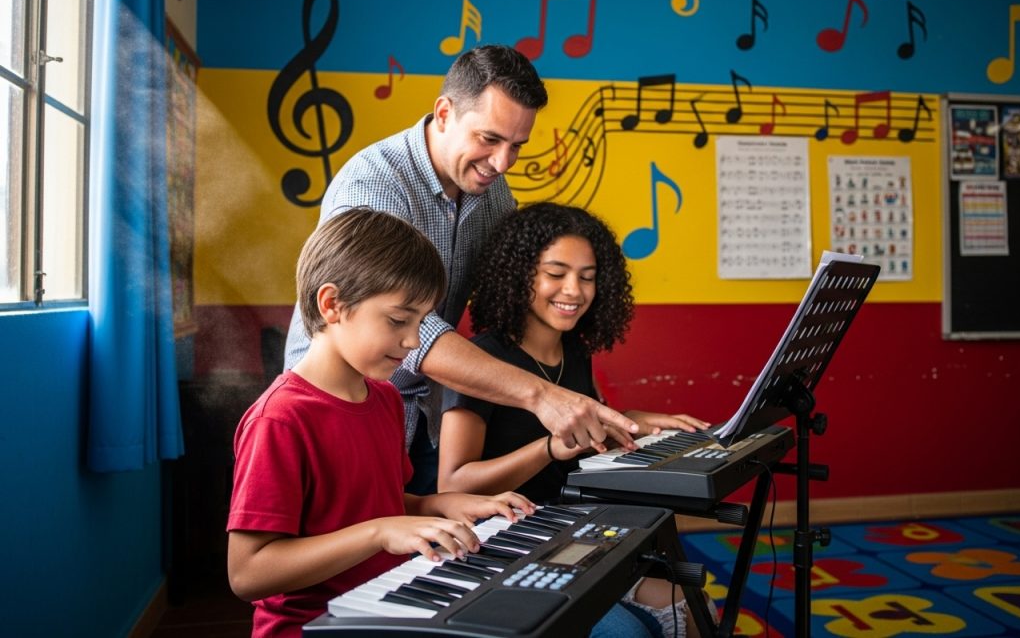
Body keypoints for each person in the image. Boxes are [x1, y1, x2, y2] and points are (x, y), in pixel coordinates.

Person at [283, 44, 638, 495]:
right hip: (338, 404)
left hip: (415, 411)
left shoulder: (493, 193)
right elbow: (413, 333)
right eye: (489, 139)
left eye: (516, 146)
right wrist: (542, 395)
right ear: (445, 112)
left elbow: (511, 292)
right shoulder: (373, 183)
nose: (503, 162)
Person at [227, 208, 535, 637]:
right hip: (312, 628)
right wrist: (378, 533)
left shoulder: (386, 399)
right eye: (398, 321)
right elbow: (248, 574)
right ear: (332, 305)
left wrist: (443, 505)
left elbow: (384, 506)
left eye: (420, 323)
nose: (412, 342)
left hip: (384, 606)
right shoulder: (280, 420)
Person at [438, 202, 715, 637]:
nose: (574, 290)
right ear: (520, 274)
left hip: (576, 532)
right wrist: (548, 448)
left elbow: (588, 434)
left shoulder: (575, 350)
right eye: (556, 273)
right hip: (510, 542)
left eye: (587, 277)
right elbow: (453, 484)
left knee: (695, 606)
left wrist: (632, 421)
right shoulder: (484, 361)